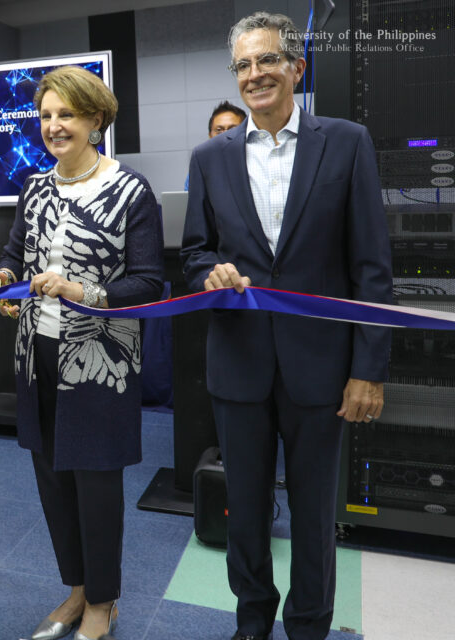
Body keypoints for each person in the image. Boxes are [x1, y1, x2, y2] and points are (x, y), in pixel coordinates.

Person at [181, 12, 391, 640]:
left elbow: (371, 267)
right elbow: (193, 253)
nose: (255, 74)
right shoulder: (209, 157)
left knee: (312, 515)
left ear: (297, 67)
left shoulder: (347, 141)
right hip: (239, 368)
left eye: (267, 60)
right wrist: (208, 273)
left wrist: (367, 370)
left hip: (322, 370)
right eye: (243, 65)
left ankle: (308, 626)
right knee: (243, 512)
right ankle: (251, 620)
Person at [0, 66, 164, 640]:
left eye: (66, 114)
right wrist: (3, 277)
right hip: (37, 361)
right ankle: (75, 591)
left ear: (96, 120)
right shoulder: (36, 187)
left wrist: (80, 291)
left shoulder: (129, 191)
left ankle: (104, 602)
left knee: (95, 489)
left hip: (99, 366)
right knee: (53, 485)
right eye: (45, 116)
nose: (53, 126)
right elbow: (15, 253)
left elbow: (147, 284)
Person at [185, 101, 246, 190]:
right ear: (210, 135)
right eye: (219, 130)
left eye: (233, 129)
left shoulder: (255, 163)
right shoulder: (201, 169)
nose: (226, 135)